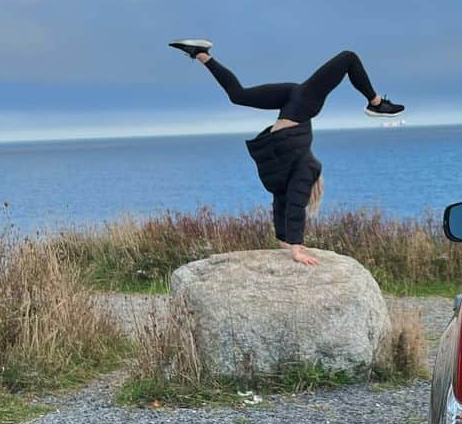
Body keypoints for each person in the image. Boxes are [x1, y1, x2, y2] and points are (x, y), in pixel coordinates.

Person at [169, 39, 404, 265]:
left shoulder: (303, 171)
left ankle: (375, 103)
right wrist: (287, 242)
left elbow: (293, 206)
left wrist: (295, 247)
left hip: (300, 107)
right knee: (238, 96)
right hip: (295, 109)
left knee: (347, 58)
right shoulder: (284, 178)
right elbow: (284, 205)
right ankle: (200, 54)